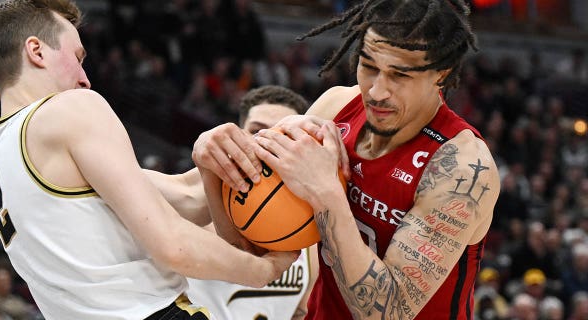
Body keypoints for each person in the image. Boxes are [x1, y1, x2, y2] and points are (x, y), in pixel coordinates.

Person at [0, 1, 297, 319]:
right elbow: (172, 245)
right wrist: (261, 270)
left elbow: (184, 198)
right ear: (36, 50)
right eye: (77, 57)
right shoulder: (71, 109)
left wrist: (229, 155)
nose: (85, 78)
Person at [192, 0, 500, 319]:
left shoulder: (461, 168)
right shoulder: (336, 108)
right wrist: (211, 168)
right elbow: (252, 249)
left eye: (400, 75)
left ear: (441, 75)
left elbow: (388, 312)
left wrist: (326, 193)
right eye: (369, 66)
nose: (377, 91)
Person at [185, 85, 318, 320]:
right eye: (257, 131)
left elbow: (300, 311)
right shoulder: (203, 201)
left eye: (281, 134)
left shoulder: (311, 236)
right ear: (238, 135)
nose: (267, 142)